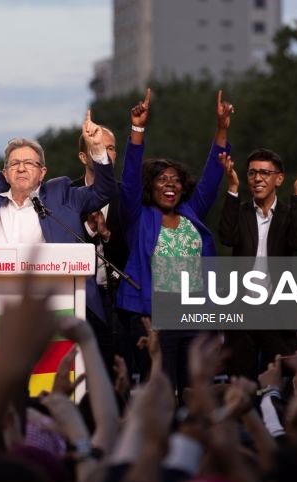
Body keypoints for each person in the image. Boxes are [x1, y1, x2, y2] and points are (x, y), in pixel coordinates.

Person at [0, 86, 116, 323]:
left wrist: (97, 150)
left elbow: (104, 191)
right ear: (5, 173)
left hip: (56, 303)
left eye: (29, 163)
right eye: (14, 164)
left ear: (42, 172)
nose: (21, 168)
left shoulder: (63, 194)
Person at [116, 89, 233, 396]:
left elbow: (212, 177)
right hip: (153, 316)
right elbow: (128, 181)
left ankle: (195, 444)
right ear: (150, 186)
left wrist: (222, 128)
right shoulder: (137, 217)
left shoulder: (192, 213)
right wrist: (138, 130)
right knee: (161, 392)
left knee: (197, 394)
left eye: (176, 180)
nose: (170, 185)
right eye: (162, 179)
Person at [218, 149, 297, 380]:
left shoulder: (289, 215)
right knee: (241, 386)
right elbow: (227, 238)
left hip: (278, 313)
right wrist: (232, 188)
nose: (257, 178)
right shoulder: (239, 212)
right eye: (252, 173)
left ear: (279, 179)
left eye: (264, 173)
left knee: (285, 384)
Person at [72, 126, 127, 372]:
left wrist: (106, 235)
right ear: (83, 157)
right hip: (79, 298)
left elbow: (133, 246)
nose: (105, 152)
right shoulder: (67, 195)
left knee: (120, 371)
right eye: (96, 146)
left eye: (110, 148)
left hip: (121, 300)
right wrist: (90, 231)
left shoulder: (126, 194)